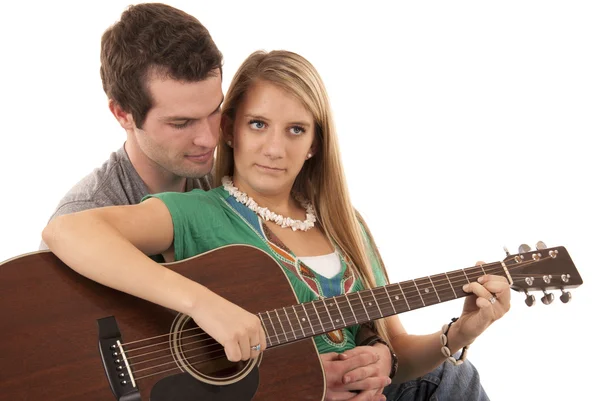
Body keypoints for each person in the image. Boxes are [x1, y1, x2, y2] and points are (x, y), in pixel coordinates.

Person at [43, 49, 511, 401]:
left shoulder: (346, 224)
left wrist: (458, 334)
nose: (274, 149)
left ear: (314, 143)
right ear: (230, 129)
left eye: (295, 130)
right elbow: (67, 231)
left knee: (454, 377)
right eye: (258, 124)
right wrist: (207, 308)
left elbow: (401, 351)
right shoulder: (194, 211)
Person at [39, 2, 222, 250]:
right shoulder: (82, 216)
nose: (209, 139)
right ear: (122, 114)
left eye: (215, 111)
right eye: (181, 123)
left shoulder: (227, 186)